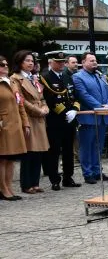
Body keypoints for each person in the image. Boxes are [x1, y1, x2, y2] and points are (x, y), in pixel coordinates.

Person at [40, 51, 81, 190]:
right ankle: (55, 179)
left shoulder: (67, 77)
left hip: (70, 119)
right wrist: (64, 112)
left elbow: (75, 95)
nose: (61, 64)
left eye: (63, 62)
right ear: (50, 62)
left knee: (69, 150)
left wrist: (75, 109)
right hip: (55, 120)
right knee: (54, 151)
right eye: (58, 62)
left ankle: (68, 177)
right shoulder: (45, 77)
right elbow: (49, 99)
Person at [10, 51, 49, 194]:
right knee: (29, 151)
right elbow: (20, 99)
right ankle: (26, 184)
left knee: (39, 151)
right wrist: (38, 110)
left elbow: (41, 97)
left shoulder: (34, 78)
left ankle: (35, 182)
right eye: (27, 60)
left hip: (39, 117)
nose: (31, 63)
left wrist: (45, 107)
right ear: (20, 62)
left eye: (32, 61)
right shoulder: (15, 78)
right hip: (28, 116)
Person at [73, 53, 108, 184]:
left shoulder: (101, 76)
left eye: (95, 60)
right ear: (83, 62)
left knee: (98, 146)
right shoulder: (78, 77)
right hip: (88, 117)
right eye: (91, 60)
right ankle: (88, 173)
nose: (94, 62)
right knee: (86, 146)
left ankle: (97, 171)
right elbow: (83, 95)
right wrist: (99, 106)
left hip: (103, 117)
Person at [0, 55, 29, 200]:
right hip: (3, 125)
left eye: (6, 64)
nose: (5, 66)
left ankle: (9, 187)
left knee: (11, 158)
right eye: (2, 65)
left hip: (15, 124)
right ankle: (3, 189)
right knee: (3, 158)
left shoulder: (11, 81)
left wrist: (25, 122)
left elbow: (20, 103)